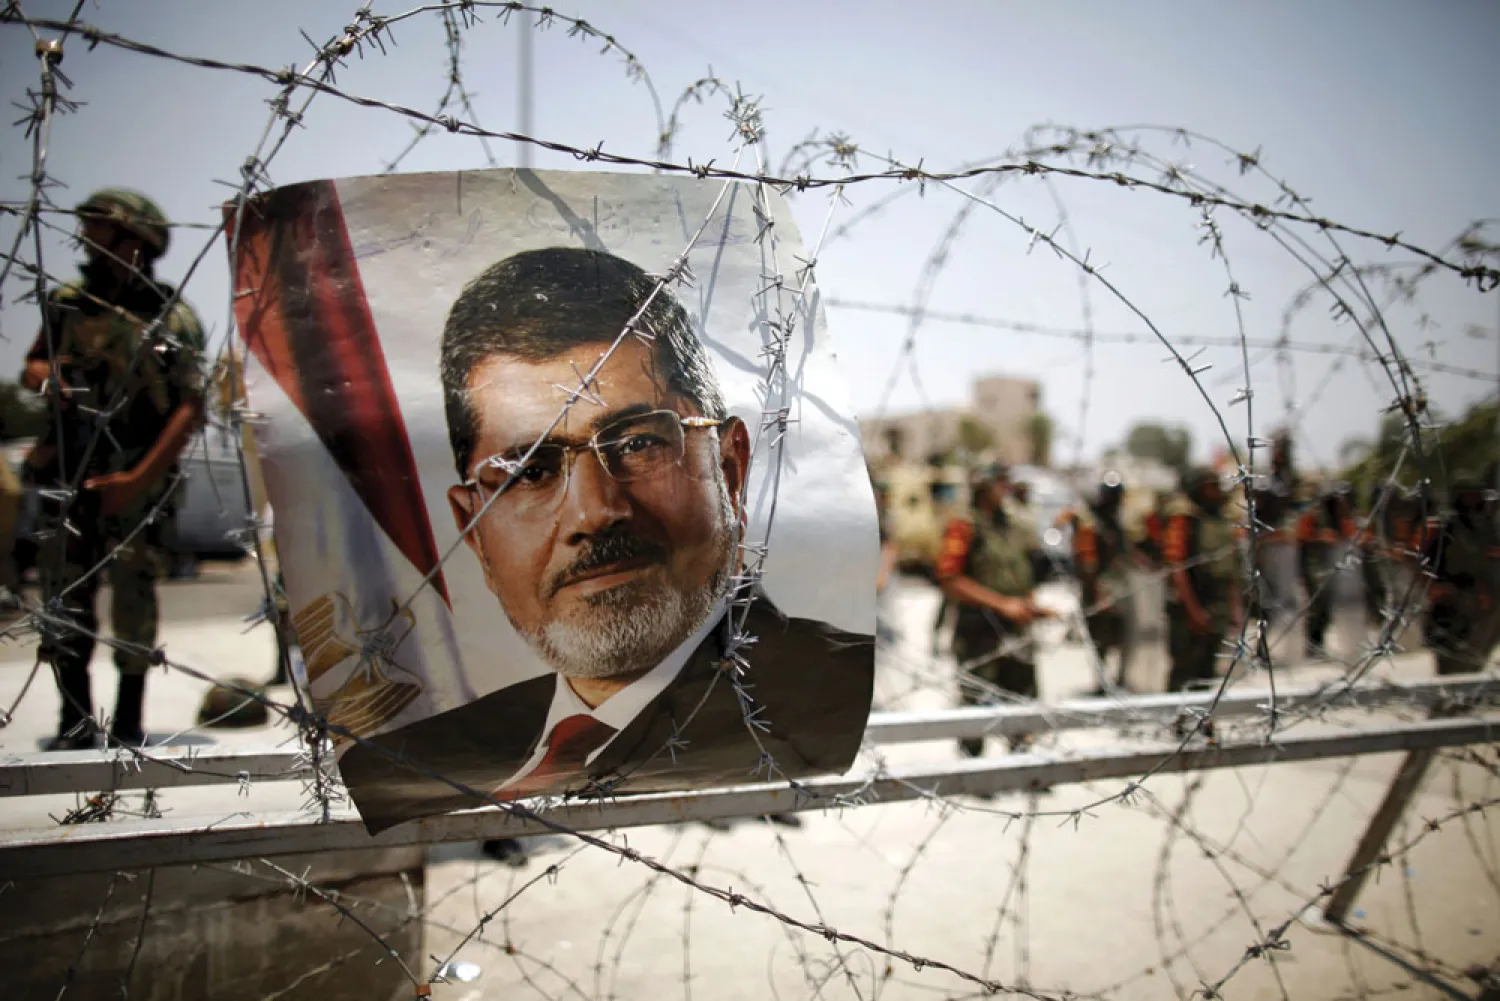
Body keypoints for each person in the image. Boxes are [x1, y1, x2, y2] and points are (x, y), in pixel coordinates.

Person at [336, 247, 874, 833]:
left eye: (639, 443)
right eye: (529, 471)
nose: (595, 512)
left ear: (729, 470)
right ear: (475, 533)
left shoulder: (843, 708)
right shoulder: (410, 768)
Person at [21, 189, 205, 750]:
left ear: (135, 241)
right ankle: (74, 720)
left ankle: (127, 723)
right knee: (64, 595)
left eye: (100, 228)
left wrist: (137, 481)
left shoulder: (171, 319)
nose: (86, 238)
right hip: (70, 470)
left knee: (133, 599)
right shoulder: (69, 304)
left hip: (137, 477)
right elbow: (34, 363)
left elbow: (190, 408)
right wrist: (46, 377)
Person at [935, 462, 1053, 757]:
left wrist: (1031, 606)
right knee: (977, 707)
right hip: (979, 631)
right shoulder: (965, 526)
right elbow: (950, 580)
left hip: (1016, 629)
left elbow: (1021, 572)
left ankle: (1021, 765)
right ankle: (973, 768)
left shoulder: (1013, 525)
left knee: (1022, 702)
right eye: (998, 482)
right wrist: (1002, 605)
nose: (1004, 488)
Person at [1163, 468, 1241, 692]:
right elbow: (1177, 569)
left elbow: (1230, 569)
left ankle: (1203, 711)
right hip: (1191, 604)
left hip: (1217, 604)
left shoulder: (1222, 519)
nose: (1217, 491)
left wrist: (1235, 607)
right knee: (1184, 670)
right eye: (1211, 486)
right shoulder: (1184, 519)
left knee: (1207, 671)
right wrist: (1194, 612)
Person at [1423, 476, 1499, 676]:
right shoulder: (1446, 527)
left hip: (1481, 599)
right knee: (1450, 655)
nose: (1472, 500)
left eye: (1475, 496)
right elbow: (1428, 561)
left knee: (1475, 654)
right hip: (1452, 598)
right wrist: (1436, 586)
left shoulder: (1485, 526)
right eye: (1467, 496)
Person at [1069, 472, 1135, 692]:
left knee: (1118, 634)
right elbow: (1088, 562)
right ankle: (1101, 683)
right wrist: (1099, 594)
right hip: (1098, 588)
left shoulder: (1115, 522)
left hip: (1117, 586)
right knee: (1100, 637)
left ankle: (1116, 680)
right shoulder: (1091, 524)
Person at [1296, 482, 1356, 660]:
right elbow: (1300, 535)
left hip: (1330, 566)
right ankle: (1312, 645)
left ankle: (1318, 643)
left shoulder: (1340, 517)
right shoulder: (1313, 516)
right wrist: (1320, 537)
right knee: (1317, 605)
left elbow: (1350, 534)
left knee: (1328, 607)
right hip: (1313, 565)